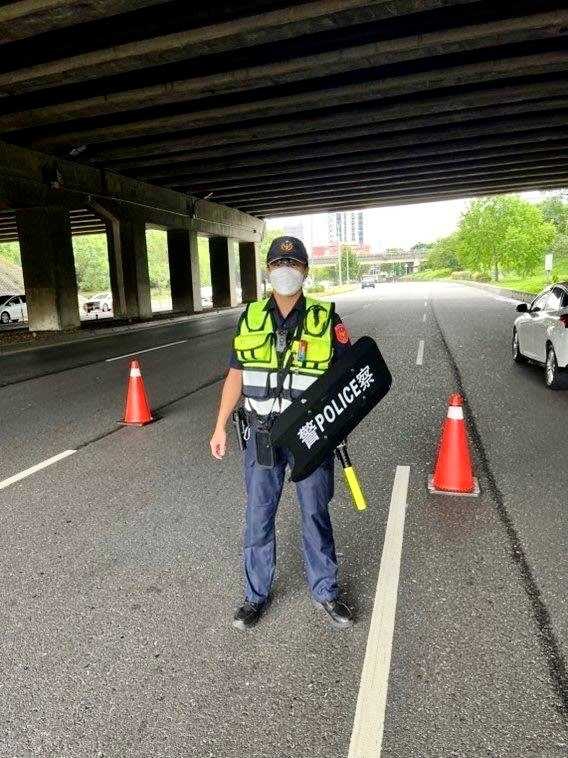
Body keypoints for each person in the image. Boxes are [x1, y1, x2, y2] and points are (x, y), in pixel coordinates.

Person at [209, 236, 354, 631]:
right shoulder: (250, 318)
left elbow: (348, 380)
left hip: (310, 434)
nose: (284, 270)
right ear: (268, 271)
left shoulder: (327, 320)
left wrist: (336, 427)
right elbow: (235, 376)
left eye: (292, 264)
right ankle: (254, 596)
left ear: (305, 271)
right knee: (258, 518)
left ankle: (326, 592)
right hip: (261, 435)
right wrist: (220, 426)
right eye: (277, 263)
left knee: (315, 513)